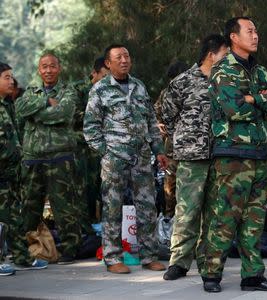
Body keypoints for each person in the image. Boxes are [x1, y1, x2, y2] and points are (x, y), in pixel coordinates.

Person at [201, 16, 267, 293]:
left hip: (259, 153)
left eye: (256, 30)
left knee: (254, 220)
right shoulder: (223, 69)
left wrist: (253, 98)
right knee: (226, 216)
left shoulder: (258, 71)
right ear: (234, 37)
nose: (256, 35)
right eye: (249, 30)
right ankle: (211, 274)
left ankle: (252, 276)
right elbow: (235, 109)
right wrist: (256, 100)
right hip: (233, 155)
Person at [84, 44, 169, 274]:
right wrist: (106, 152)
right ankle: (112, 258)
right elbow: (91, 127)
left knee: (147, 207)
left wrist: (158, 149)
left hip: (141, 158)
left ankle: (149, 255)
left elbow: (151, 120)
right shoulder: (100, 89)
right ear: (108, 64)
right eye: (118, 57)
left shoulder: (139, 86)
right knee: (112, 208)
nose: (124, 60)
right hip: (115, 159)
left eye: (127, 56)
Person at [161, 34, 228, 281]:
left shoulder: (226, 81)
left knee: (213, 213)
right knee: (187, 211)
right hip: (190, 158)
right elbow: (167, 114)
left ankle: (207, 261)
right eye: (225, 53)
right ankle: (178, 262)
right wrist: (184, 137)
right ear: (212, 54)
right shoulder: (183, 81)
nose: (228, 57)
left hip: (220, 155)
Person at [15, 53, 82, 265]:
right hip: (32, 156)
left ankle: (70, 248)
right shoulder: (31, 92)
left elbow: (62, 113)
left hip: (60, 155)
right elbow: (20, 108)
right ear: (38, 70)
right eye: (44, 67)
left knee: (64, 206)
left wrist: (36, 113)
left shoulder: (68, 91)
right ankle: (28, 249)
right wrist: (45, 102)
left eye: (52, 66)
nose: (48, 70)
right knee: (30, 205)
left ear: (59, 68)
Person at [0, 63, 48, 276]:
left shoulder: (8, 105)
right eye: (6, 77)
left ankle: (22, 257)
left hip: (11, 174)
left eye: (12, 76)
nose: (11, 81)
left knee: (14, 217)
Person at [72, 57, 109, 226]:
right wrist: (97, 115)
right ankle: (84, 227)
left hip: (105, 147)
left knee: (103, 188)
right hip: (82, 148)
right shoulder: (78, 89)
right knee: (83, 188)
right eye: (103, 77)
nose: (106, 81)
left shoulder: (112, 89)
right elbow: (71, 115)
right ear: (94, 73)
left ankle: (100, 226)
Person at [153, 60, 189, 217]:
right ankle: (169, 220)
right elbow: (154, 115)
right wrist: (158, 126)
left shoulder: (195, 91)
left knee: (188, 187)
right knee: (170, 188)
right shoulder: (165, 94)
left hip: (192, 149)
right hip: (173, 149)